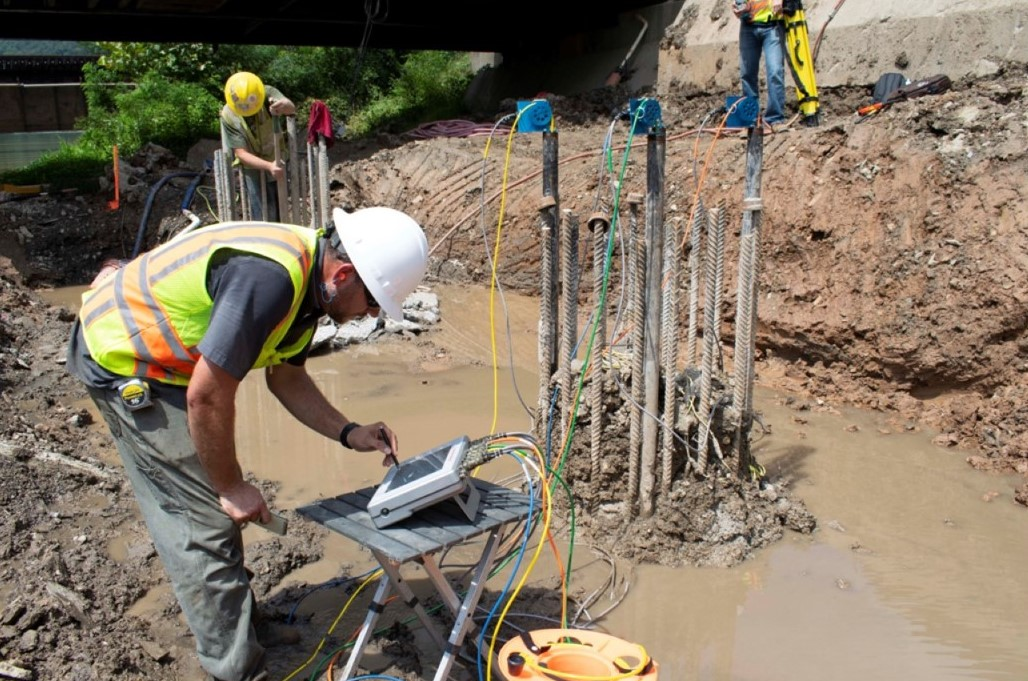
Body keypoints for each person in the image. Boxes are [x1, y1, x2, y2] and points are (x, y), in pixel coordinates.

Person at [65, 207, 429, 681]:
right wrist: (231, 485)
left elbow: (287, 379)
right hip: (124, 355)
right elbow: (207, 396)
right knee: (204, 521)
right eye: (374, 300)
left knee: (218, 504)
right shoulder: (270, 279)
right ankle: (237, 668)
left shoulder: (311, 291)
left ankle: (243, 626)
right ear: (343, 275)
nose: (372, 314)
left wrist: (349, 432)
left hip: (180, 370)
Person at [220, 71, 296, 221]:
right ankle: (266, 239)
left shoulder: (265, 92)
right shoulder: (228, 115)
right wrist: (268, 166)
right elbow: (241, 153)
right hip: (252, 165)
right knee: (263, 211)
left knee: (280, 207)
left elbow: (291, 109)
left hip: (276, 156)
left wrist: (283, 105)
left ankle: (281, 237)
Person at [734, 0, 787, 125]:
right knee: (747, 74)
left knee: (775, 71)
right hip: (748, 26)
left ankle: (774, 119)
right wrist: (738, 9)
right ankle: (751, 119)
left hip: (772, 25)